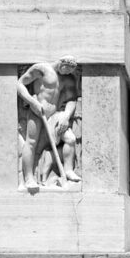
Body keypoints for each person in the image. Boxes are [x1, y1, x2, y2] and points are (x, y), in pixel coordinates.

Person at [16, 56, 81, 190]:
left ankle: (68, 170)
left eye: (70, 71)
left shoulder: (67, 78)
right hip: (37, 112)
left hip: (55, 114)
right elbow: (20, 84)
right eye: (66, 70)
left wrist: (66, 116)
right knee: (31, 142)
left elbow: (72, 100)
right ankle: (28, 179)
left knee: (70, 139)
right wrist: (32, 102)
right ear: (61, 64)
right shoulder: (42, 69)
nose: (68, 73)